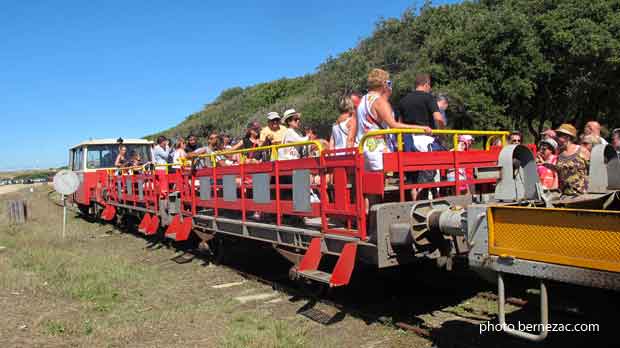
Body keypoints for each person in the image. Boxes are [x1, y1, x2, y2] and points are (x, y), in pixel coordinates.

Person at [354, 69, 432, 171]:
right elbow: (393, 125)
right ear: (384, 84)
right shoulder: (379, 101)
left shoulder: (362, 100)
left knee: (366, 183)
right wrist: (421, 128)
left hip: (363, 147)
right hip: (378, 149)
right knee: (380, 182)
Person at [554, 124, 588, 197]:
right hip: (565, 196)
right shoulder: (560, 153)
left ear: (567, 137)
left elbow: (594, 170)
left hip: (582, 196)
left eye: (559, 135)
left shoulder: (582, 150)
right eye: (557, 135)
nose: (556, 137)